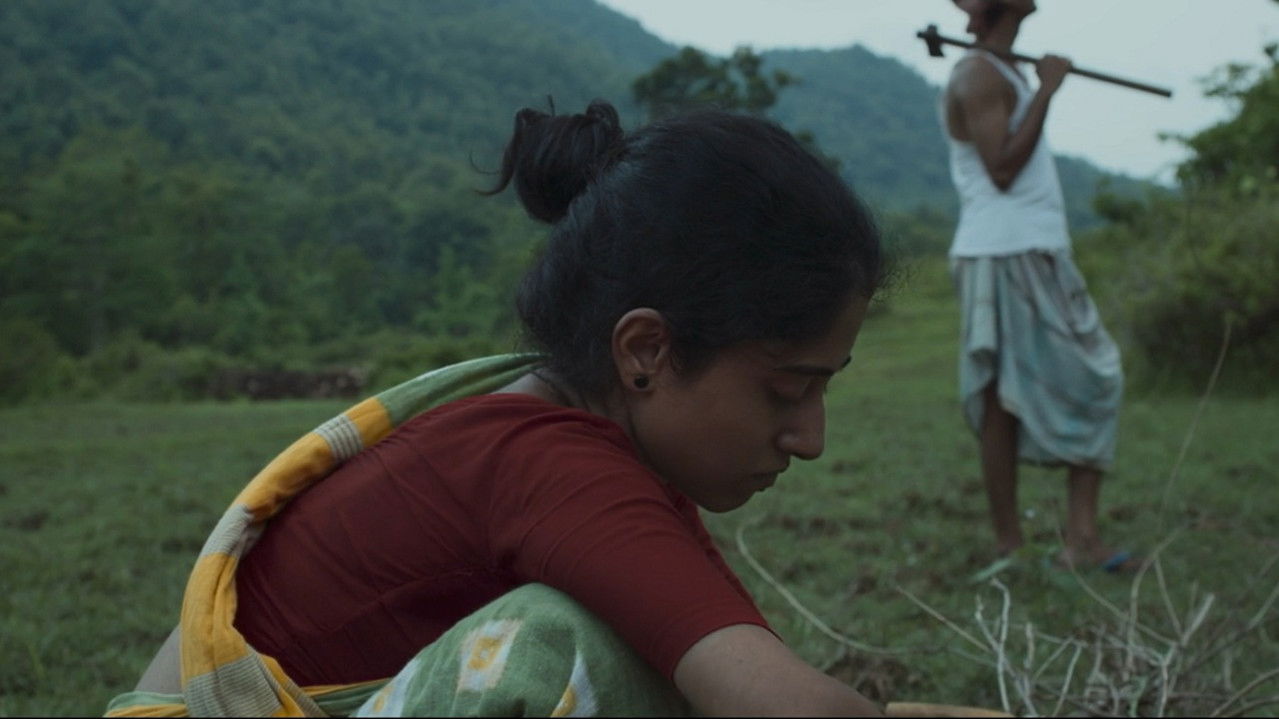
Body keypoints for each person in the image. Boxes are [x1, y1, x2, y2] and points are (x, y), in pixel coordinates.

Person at [119, 100, 889, 716]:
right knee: (567, 646)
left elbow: (744, 665)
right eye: (785, 389)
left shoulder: (572, 450)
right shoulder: (546, 464)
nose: (809, 437)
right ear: (645, 351)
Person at [940, 0, 1131, 570]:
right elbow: (1001, 169)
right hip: (1006, 251)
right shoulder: (978, 73)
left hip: (1027, 248)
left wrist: (1038, 83)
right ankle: (1020, 545)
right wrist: (1048, 90)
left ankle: (1076, 540)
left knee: (1026, 393)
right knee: (1049, 385)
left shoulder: (1004, 69)